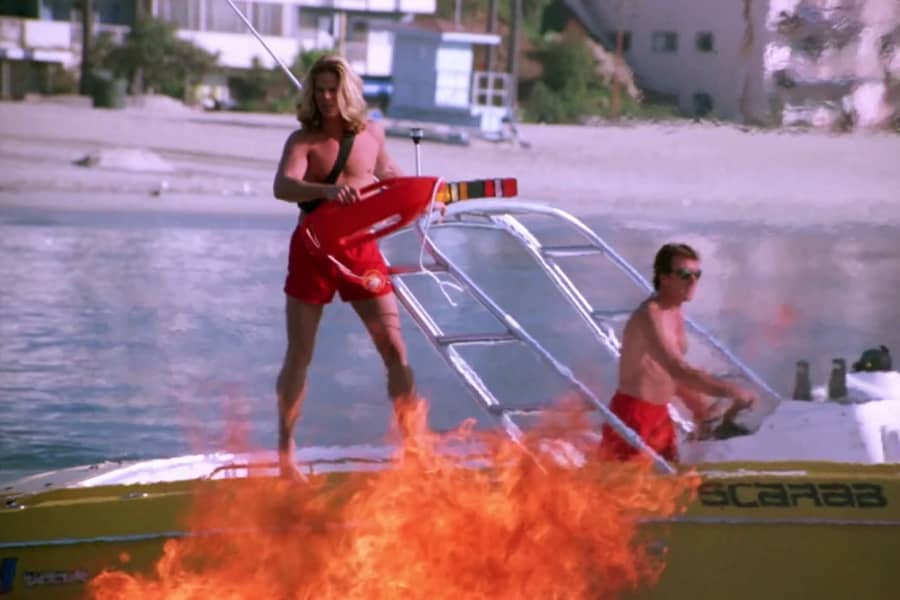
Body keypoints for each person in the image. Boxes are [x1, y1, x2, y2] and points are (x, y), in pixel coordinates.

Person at [272, 54, 417, 479]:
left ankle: (412, 447)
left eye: (333, 89)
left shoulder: (373, 134)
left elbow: (391, 177)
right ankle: (286, 454)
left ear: (348, 91)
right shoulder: (303, 141)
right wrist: (327, 191)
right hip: (313, 249)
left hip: (361, 251)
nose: (326, 97)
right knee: (300, 353)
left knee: (394, 348)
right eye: (319, 90)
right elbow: (283, 186)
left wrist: (426, 199)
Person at [598, 243, 757, 463]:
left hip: (660, 416)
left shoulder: (675, 311)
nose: (693, 281)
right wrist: (729, 390)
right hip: (634, 416)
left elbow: (667, 374)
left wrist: (700, 408)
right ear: (664, 278)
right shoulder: (650, 315)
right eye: (684, 274)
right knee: (628, 490)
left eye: (696, 274)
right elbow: (677, 368)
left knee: (669, 488)